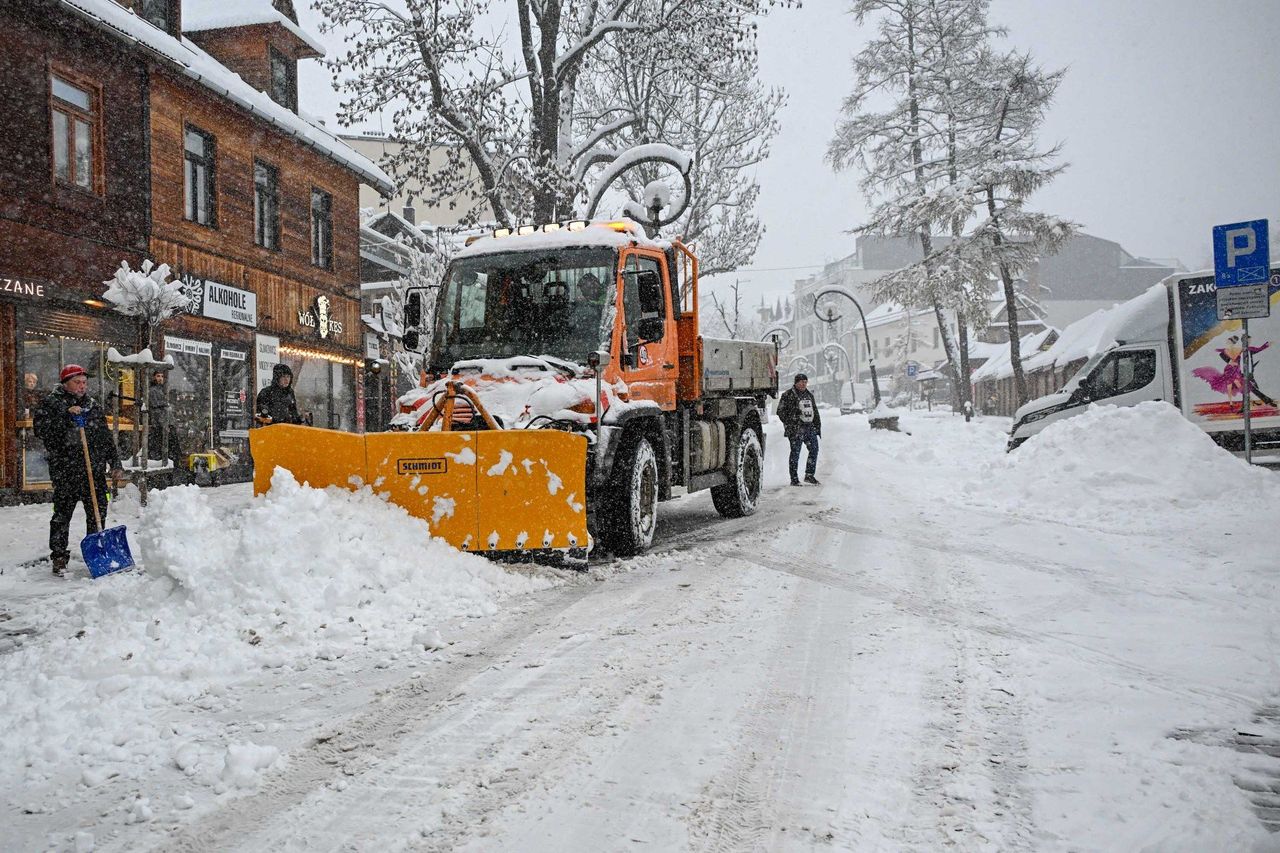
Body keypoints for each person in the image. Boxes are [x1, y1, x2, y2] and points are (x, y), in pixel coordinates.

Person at [33, 364, 124, 576]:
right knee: (62, 515)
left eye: (84, 382)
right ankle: (59, 556)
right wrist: (65, 416)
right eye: (77, 382)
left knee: (97, 512)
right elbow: (41, 430)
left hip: (94, 470)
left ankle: (96, 551)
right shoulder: (51, 404)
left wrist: (115, 462)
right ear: (65, 384)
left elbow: (104, 437)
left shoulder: (92, 406)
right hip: (66, 470)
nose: (82, 386)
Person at [776, 372, 821, 486]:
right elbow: (780, 411)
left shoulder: (809, 395)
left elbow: (814, 411)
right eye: (801, 382)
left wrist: (817, 427)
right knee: (795, 453)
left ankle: (809, 475)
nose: (804, 384)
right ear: (796, 382)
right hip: (795, 429)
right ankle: (794, 478)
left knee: (814, 449)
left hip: (809, 428)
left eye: (805, 382)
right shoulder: (788, 395)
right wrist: (791, 420)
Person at [147, 370, 184, 466]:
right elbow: (156, 408)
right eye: (158, 376)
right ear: (154, 377)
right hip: (162, 424)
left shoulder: (161, 390)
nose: (160, 378)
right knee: (168, 449)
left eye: (162, 376)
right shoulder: (153, 391)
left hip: (165, 423)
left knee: (170, 448)